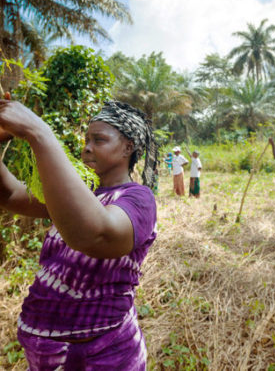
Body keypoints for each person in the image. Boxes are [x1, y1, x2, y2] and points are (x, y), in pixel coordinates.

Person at [0, 99, 158, 370]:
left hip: (102, 355)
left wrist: (39, 133)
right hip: (48, 353)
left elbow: (97, 235)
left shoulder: (138, 198)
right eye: (86, 139)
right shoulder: (80, 191)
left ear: (128, 148)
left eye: (99, 140)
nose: (86, 147)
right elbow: (11, 194)